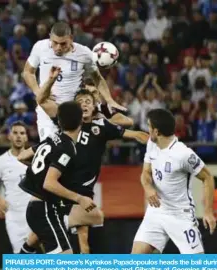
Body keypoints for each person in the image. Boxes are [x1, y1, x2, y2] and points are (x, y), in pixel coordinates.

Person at [19, 67, 149, 253]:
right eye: (81, 102)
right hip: (62, 192)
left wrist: (158, 144)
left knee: (72, 237)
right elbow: (41, 102)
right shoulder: (66, 126)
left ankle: (22, 255)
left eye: (89, 101)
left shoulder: (101, 125)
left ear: (94, 105)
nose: (86, 105)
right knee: (54, 234)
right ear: (75, 109)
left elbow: (133, 130)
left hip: (79, 191)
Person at [22, 21, 125, 141]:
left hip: (74, 112)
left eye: (63, 43)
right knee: (51, 150)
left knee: (73, 154)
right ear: (50, 36)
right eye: (55, 43)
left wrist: (109, 100)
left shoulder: (84, 53)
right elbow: (27, 72)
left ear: (71, 38)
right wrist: (39, 92)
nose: (58, 47)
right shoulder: (40, 47)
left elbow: (97, 78)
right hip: (47, 110)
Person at [132, 108, 216, 254]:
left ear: (157, 132)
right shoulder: (152, 145)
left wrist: (208, 211)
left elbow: (207, 177)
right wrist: (148, 187)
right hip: (156, 212)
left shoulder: (183, 154)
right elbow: (145, 172)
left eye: (149, 127)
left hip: (180, 215)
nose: (147, 130)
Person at [18, 101, 93, 254]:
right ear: (81, 122)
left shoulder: (53, 139)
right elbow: (49, 183)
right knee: (65, 259)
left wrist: (41, 170)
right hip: (45, 208)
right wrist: (80, 198)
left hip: (38, 207)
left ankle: (22, 258)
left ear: (59, 121)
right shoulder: (67, 148)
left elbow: (22, 156)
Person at [0, 121, 32, 254]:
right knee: (21, 259)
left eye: (22, 133)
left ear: (26, 137)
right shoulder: (1, 161)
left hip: (35, 215)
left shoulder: (36, 158)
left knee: (50, 253)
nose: (18, 136)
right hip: (14, 217)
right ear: (9, 136)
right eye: (15, 133)